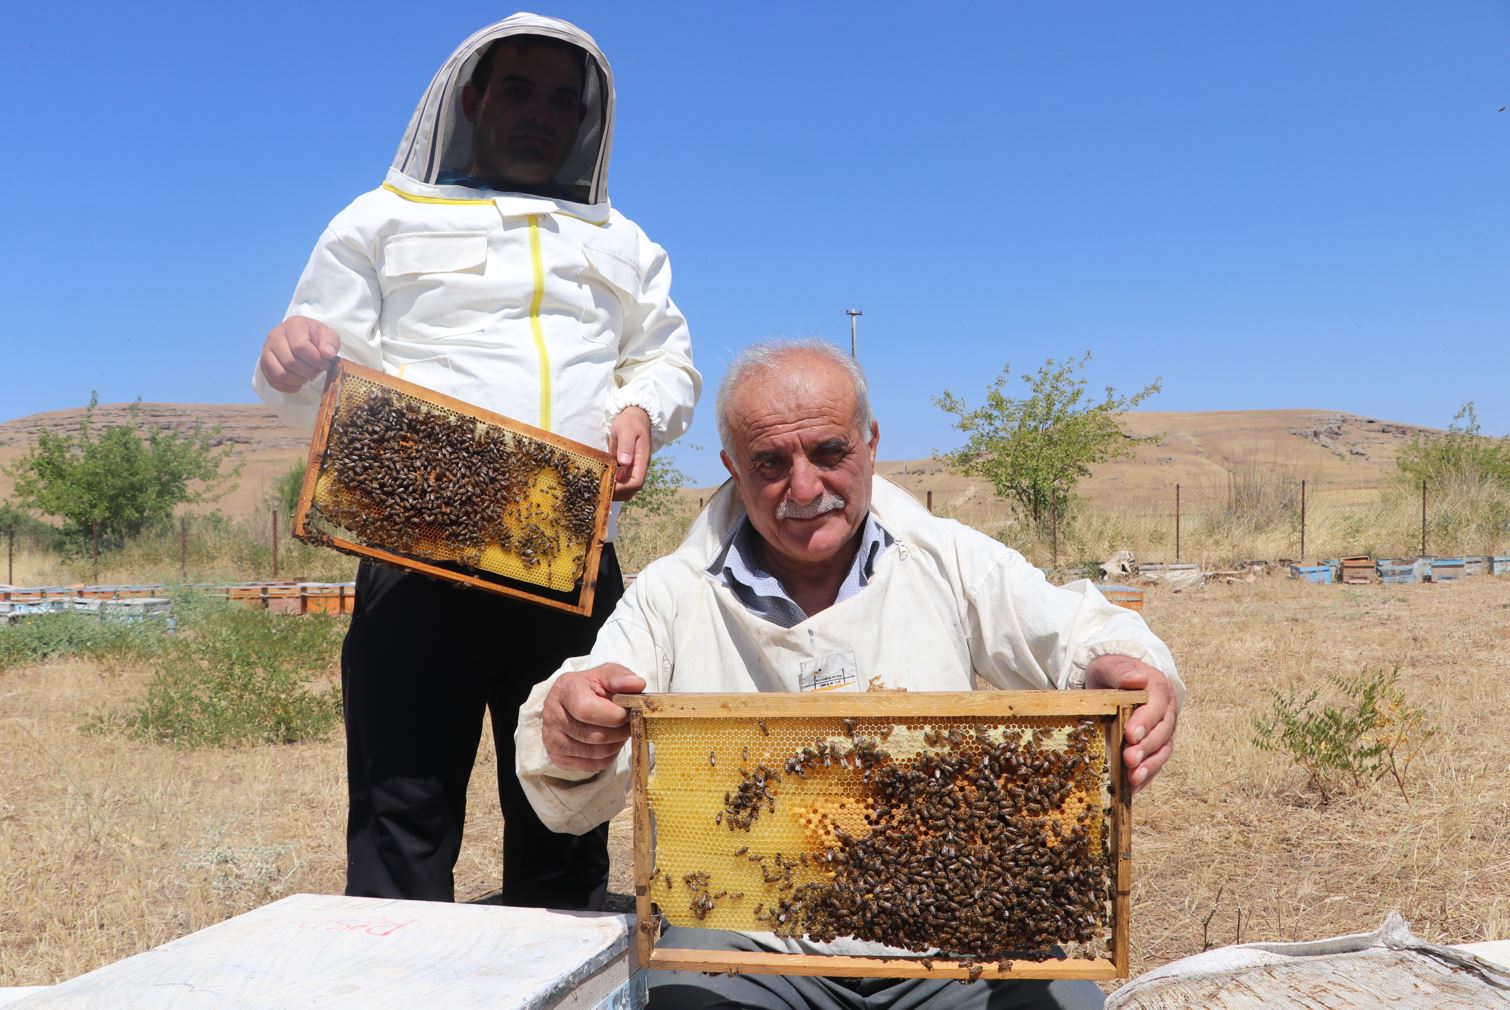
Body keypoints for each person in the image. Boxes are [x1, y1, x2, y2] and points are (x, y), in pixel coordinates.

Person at [515, 340, 1182, 1009]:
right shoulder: (671, 592)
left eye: (829, 452)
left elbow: (1081, 634)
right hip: (751, 947)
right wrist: (571, 726)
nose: (804, 489)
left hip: (954, 942)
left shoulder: (947, 558)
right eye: (770, 463)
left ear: (870, 444)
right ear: (733, 469)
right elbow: (582, 717)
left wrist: (1126, 668)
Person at [251, 13, 700, 910]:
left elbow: (665, 358)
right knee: (401, 811)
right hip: (417, 570)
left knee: (568, 809)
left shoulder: (626, 243)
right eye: (519, 90)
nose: (541, 113)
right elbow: (323, 372)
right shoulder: (379, 220)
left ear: (586, 123)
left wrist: (643, 406)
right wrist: (291, 358)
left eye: (562, 101)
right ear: (471, 100)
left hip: (568, 561)